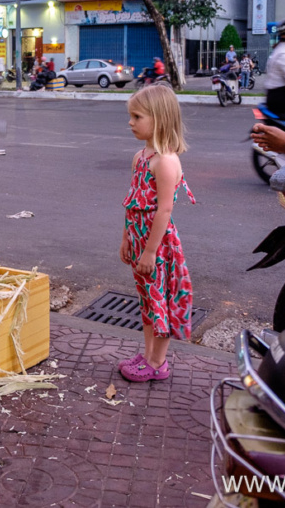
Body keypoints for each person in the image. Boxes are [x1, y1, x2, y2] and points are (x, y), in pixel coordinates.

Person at [118, 84, 197, 382]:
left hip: (157, 246)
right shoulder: (140, 156)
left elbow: (163, 211)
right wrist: (127, 238)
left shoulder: (165, 161)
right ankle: (148, 354)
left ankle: (158, 363)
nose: (131, 122)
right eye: (131, 116)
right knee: (147, 301)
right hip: (139, 241)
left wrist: (150, 251)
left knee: (159, 299)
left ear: (159, 119)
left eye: (137, 116)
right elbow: (132, 203)